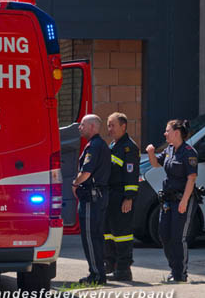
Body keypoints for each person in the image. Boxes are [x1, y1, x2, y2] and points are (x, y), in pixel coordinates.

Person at [145, 119, 198, 283]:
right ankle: (173, 269)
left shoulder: (189, 152)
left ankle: (180, 273)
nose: (165, 133)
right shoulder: (169, 150)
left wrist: (184, 201)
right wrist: (151, 153)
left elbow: (191, 179)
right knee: (164, 234)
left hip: (183, 199)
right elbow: (155, 165)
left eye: (167, 131)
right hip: (168, 200)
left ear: (176, 133)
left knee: (178, 237)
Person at [72, 114, 111, 285]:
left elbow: (86, 173)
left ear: (92, 127)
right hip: (98, 197)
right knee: (96, 237)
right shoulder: (99, 145)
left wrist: (75, 184)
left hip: (91, 198)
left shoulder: (94, 146)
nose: (80, 128)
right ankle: (97, 273)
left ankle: (96, 275)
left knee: (90, 237)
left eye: (83, 125)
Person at [104, 112, 140, 281]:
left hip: (122, 198)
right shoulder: (114, 145)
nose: (109, 129)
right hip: (111, 196)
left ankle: (124, 270)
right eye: (108, 125)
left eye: (112, 125)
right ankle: (111, 266)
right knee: (109, 233)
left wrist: (129, 197)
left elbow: (131, 175)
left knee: (122, 234)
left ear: (123, 126)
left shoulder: (129, 147)